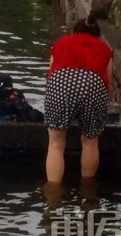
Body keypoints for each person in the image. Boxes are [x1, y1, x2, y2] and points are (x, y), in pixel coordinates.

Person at [43, 14, 113, 184]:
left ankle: (53, 197)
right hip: (93, 85)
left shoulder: (61, 43)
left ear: (73, 32)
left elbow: (50, 74)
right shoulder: (104, 48)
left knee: (56, 143)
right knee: (90, 141)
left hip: (61, 82)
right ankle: (88, 191)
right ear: (97, 35)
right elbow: (107, 84)